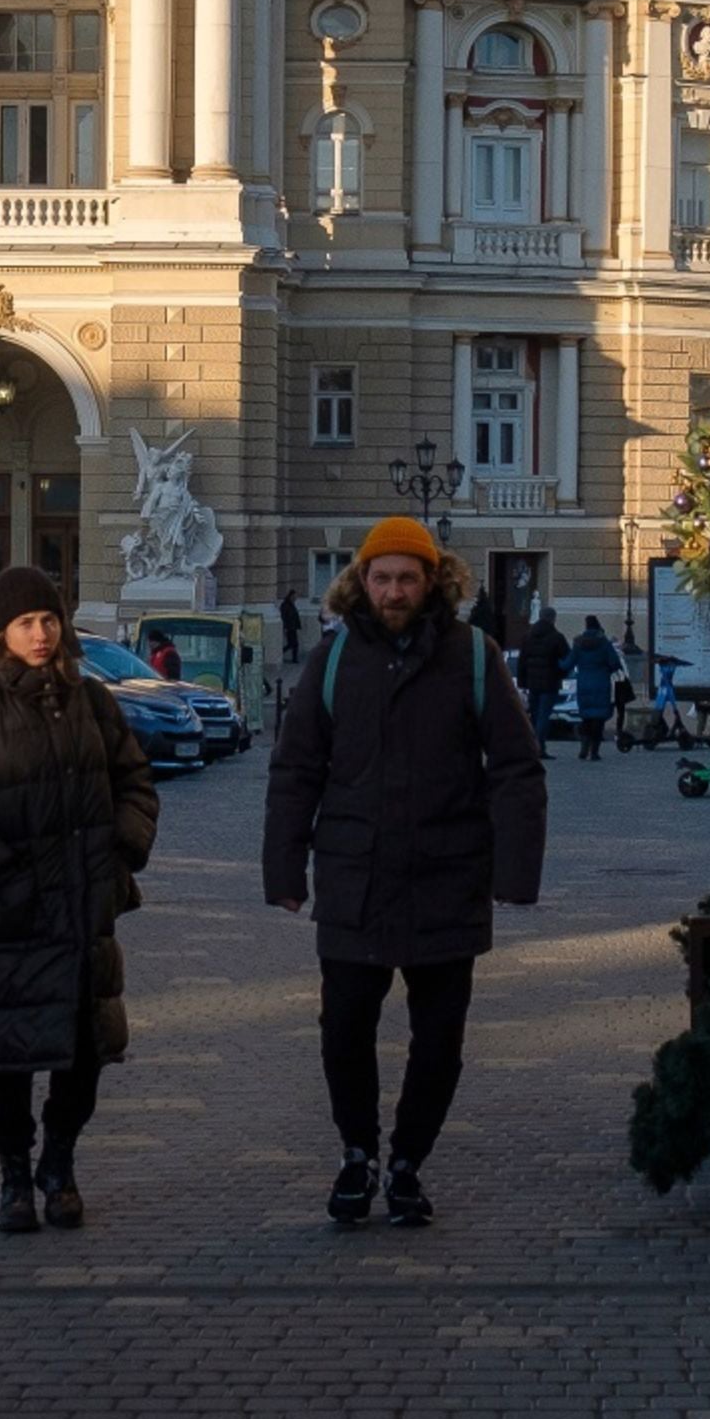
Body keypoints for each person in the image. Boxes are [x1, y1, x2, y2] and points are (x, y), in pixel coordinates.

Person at [263, 516, 546, 1231]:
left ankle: (408, 1160)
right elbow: (296, 770)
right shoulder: (331, 661)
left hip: (446, 876)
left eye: (407, 578)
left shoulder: (473, 655)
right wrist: (284, 868)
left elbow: (515, 767)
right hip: (354, 877)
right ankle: (357, 1151)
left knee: (440, 1039)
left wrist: (514, 872)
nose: (393, 590)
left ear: (432, 582)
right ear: (361, 581)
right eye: (381, 577)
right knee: (344, 1030)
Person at [0, 564, 154, 1235]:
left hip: (84, 914)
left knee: (83, 1053)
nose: (41, 632)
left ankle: (60, 1160)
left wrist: (120, 855)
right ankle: (15, 1177)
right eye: (26, 621)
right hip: (9, 921)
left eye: (50, 619)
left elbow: (135, 781)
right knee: (10, 1057)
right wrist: (8, 876)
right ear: (0, 631)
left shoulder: (94, 704)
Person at [567, 616, 625, 763]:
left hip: (584, 683)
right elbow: (615, 663)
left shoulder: (579, 643)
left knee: (586, 717)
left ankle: (584, 747)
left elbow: (568, 663)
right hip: (601, 683)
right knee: (599, 719)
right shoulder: (604, 643)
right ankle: (594, 752)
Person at [514, 606, 568, 744]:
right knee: (544, 715)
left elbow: (522, 661)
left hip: (532, 683)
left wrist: (522, 682)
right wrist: (561, 674)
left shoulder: (528, 636)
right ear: (553, 619)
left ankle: (533, 744)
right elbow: (567, 659)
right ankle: (539, 745)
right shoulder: (557, 637)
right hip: (550, 683)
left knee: (535, 715)